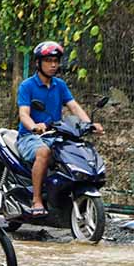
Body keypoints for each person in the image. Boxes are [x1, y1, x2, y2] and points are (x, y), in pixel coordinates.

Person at [14, 41, 102, 217]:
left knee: (75, 150)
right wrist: (34, 127)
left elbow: (74, 107)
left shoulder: (59, 85)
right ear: (38, 63)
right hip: (29, 138)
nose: (53, 64)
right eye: (48, 60)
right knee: (44, 152)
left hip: (55, 134)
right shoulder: (27, 86)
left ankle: (66, 195)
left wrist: (89, 124)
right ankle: (37, 200)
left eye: (56, 60)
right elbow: (24, 114)